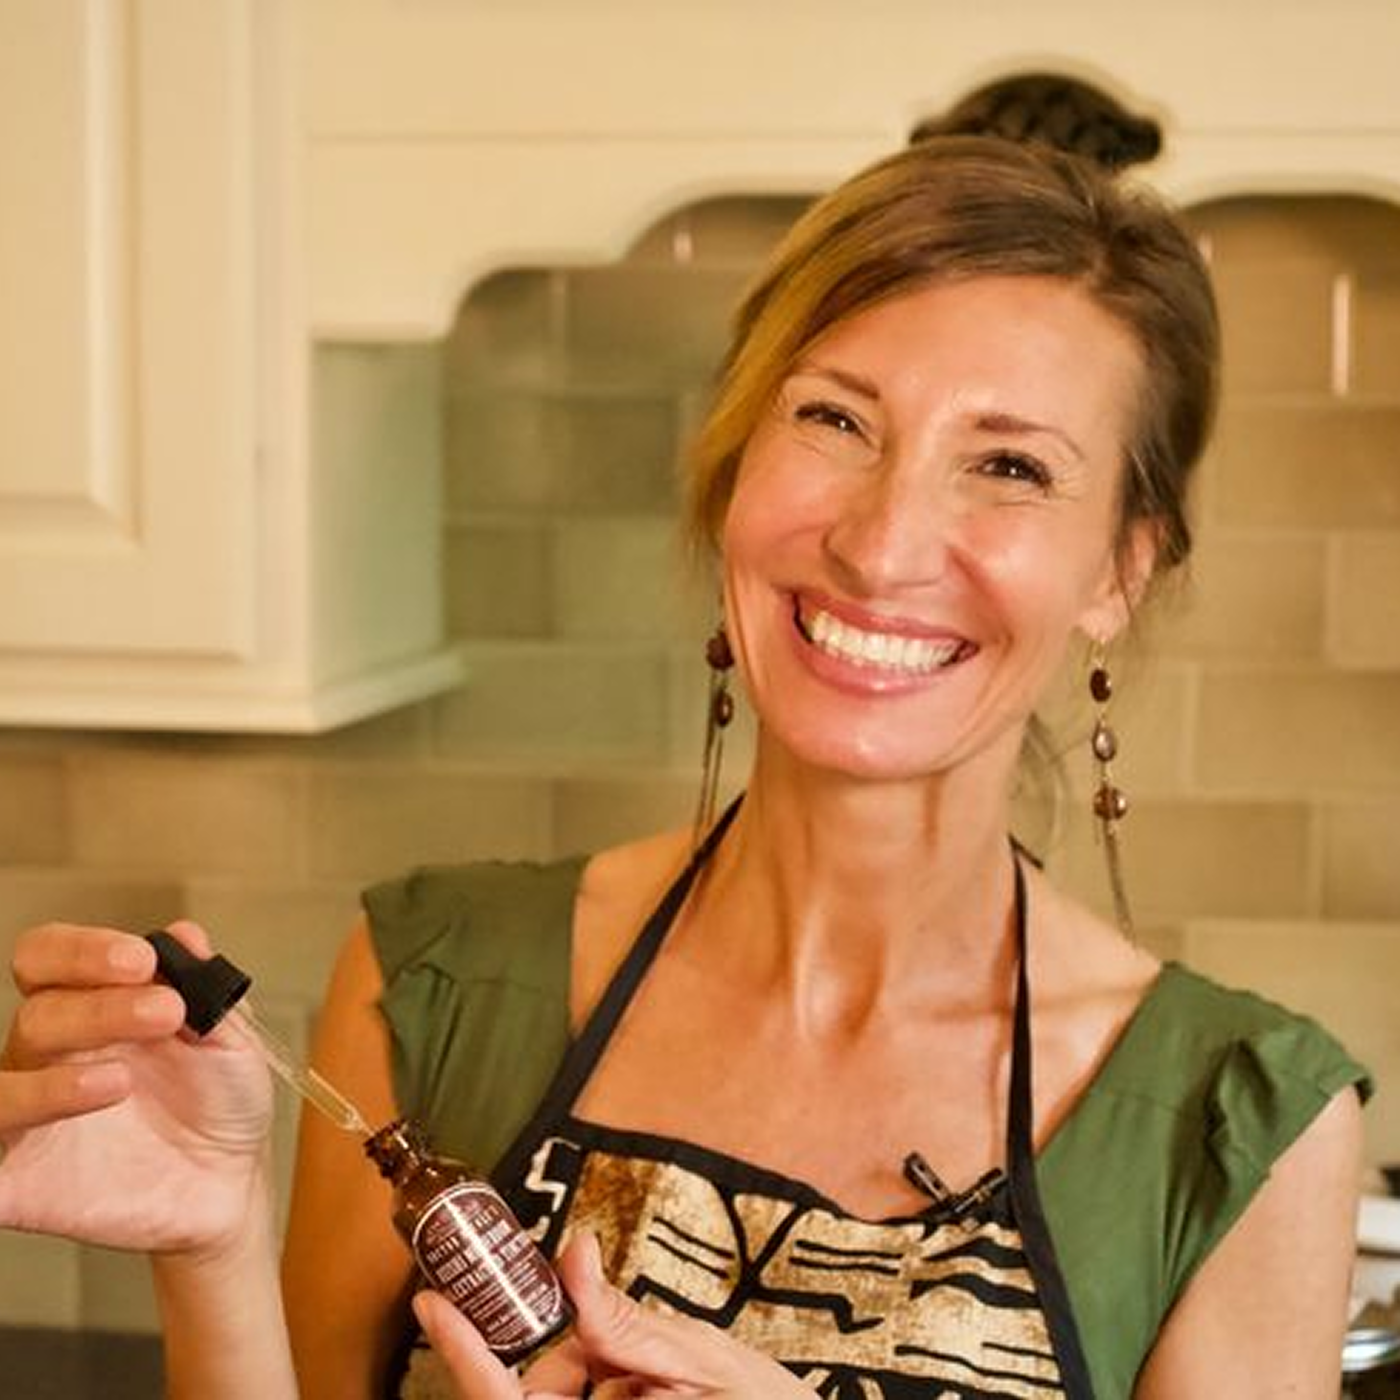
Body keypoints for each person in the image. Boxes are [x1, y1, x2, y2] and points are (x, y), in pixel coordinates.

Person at [0, 135, 1371, 1400]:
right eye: (835, 420)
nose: (884, 544)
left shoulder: (1238, 1131)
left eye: (1009, 463)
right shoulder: (438, 982)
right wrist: (209, 1244)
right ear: (732, 469)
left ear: (1119, 571)